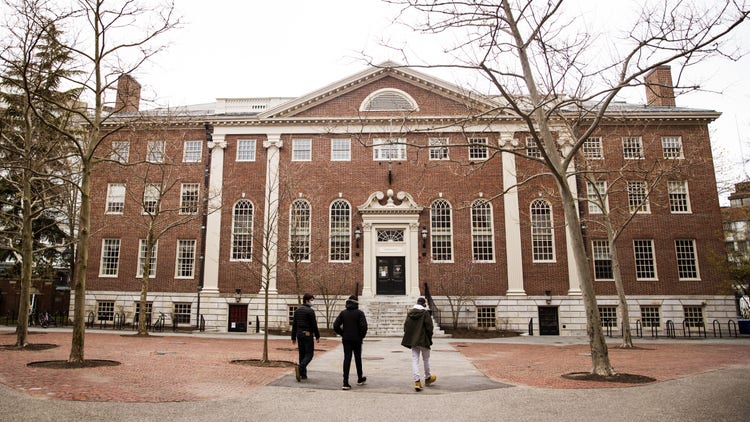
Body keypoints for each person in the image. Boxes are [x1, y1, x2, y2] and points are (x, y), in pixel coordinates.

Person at [401, 297, 436, 391]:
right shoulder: (425, 313)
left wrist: (411, 336)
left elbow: (406, 326)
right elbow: (429, 327)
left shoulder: (410, 313)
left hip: (414, 341)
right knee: (426, 359)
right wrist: (429, 337)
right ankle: (428, 377)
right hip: (423, 340)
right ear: (424, 304)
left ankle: (417, 381)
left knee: (415, 360)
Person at [333, 295, 368, 390]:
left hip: (346, 339)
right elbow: (364, 326)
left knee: (347, 358)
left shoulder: (343, 313)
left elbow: (335, 325)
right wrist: (361, 336)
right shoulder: (359, 313)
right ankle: (360, 378)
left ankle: (345, 382)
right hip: (357, 339)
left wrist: (342, 333)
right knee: (358, 358)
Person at [291, 293, 320, 382]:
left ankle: (303, 374)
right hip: (307, 334)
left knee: (302, 354)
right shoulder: (310, 311)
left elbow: (294, 324)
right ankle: (300, 368)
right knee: (309, 354)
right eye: (311, 300)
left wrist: (293, 337)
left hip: (299, 334)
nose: (312, 302)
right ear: (307, 301)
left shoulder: (297, 311)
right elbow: (314, 325)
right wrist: (317, 335)